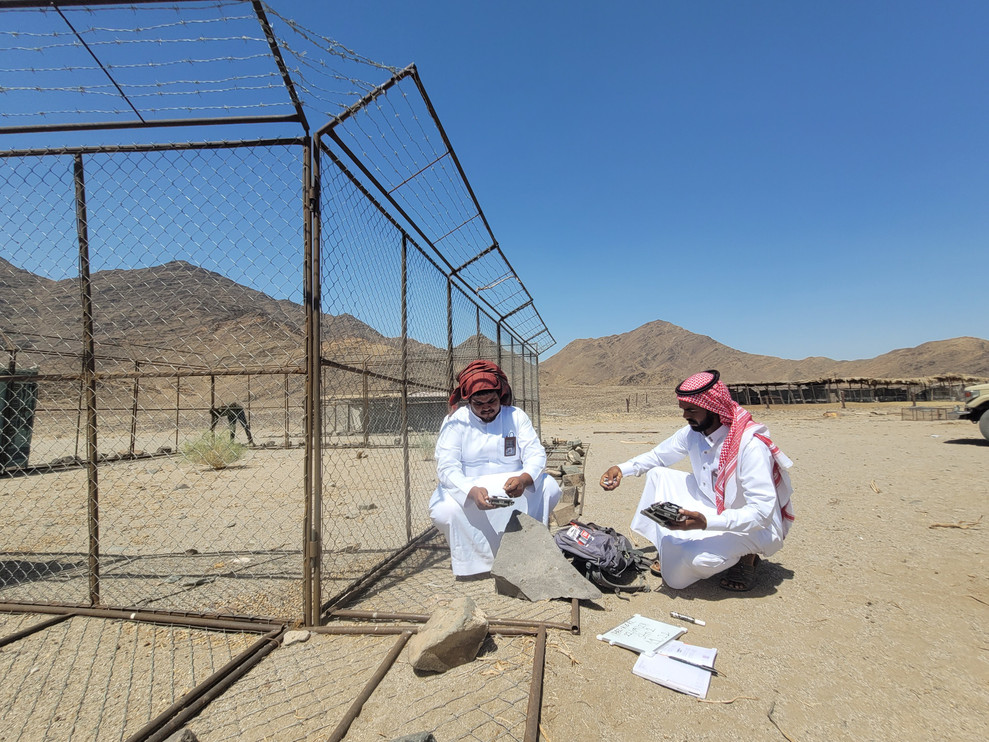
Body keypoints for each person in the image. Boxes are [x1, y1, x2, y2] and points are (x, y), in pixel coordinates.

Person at [600, 370, 794, 591]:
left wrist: (706, 523)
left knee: (698, 561)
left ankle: (747, 557)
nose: (685, 416)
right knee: (658, 474)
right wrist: (621, 469)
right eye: (683, 410)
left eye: (691, 410)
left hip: (751, 526)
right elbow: (657, 457)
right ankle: (673, 550)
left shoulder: (750, 447)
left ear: (713, 408)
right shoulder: (693, 433)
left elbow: (761, 513)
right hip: (711, 505)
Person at [430, 360, 562, 578]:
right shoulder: (456, 422)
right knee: (444, 510)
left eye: (491, 401)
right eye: (478, 403)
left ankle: (527, 552)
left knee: (549, 487)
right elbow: (446, 466)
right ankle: (477, 564)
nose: (486, 408)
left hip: (512, 484)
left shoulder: (515, 416)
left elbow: (535, 453)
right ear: (468, 402)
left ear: (500, 396)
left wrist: (525, 479)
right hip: (470, 486)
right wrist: (470, 490)